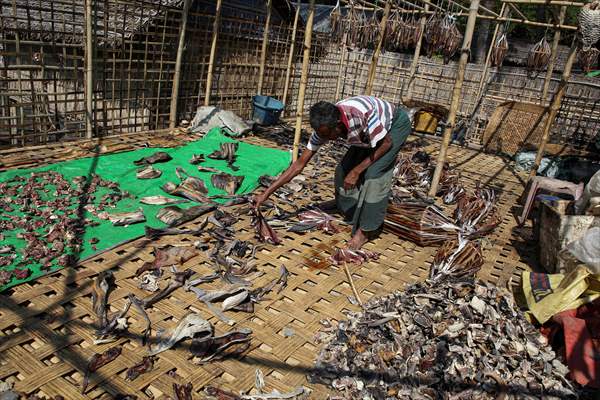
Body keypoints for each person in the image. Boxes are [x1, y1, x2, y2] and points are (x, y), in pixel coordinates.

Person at [254, 96, 416, 250]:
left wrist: (357, 170)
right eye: (321, 134)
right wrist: (265, 194)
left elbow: (386, 143)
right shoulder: (324, 128)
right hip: (368, 133)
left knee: (374, 174)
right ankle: (347, 207)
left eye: (327, 134)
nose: (325, 138)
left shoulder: (359, 116)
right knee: (342, 171)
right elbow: (298, 165)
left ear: (338, 124)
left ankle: (366, 230)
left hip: (394, 126)